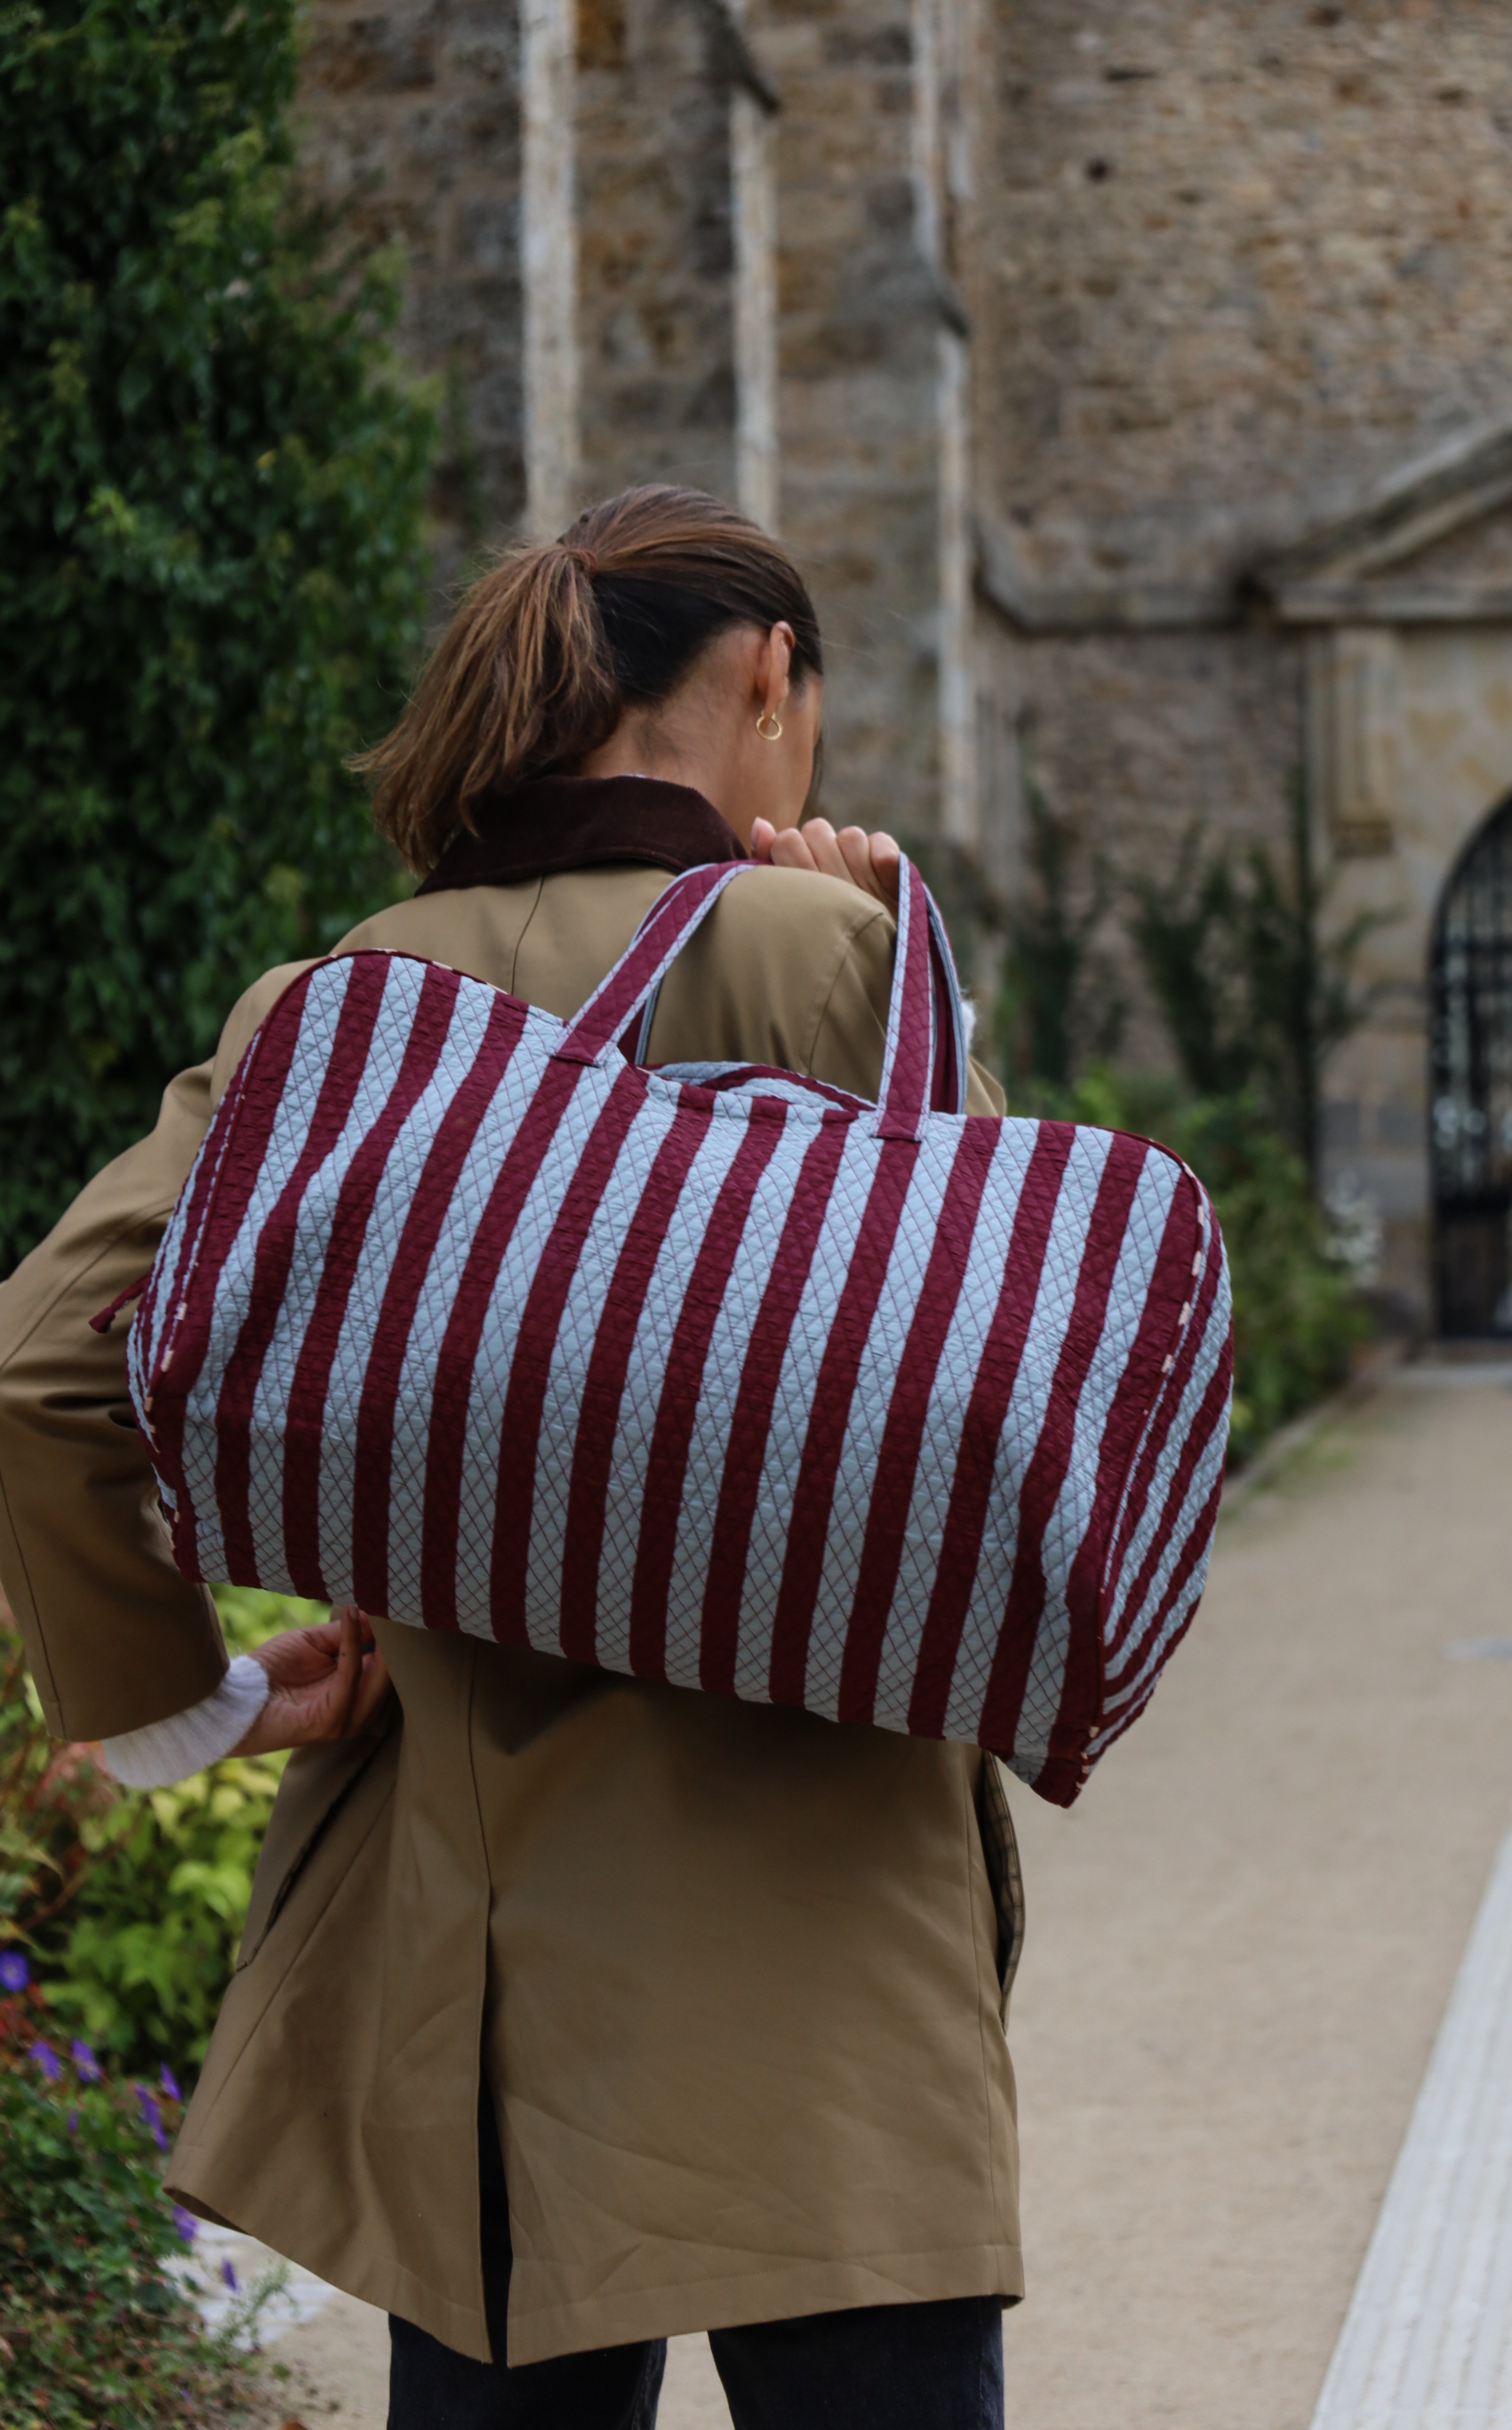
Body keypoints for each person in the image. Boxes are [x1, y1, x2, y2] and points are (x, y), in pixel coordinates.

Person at [0, 486, 1023, 2430]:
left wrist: (184, 1712)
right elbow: (1000, 1384)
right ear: (769, 679)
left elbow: (41, 1368)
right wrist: (901, 970)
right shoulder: (820, 948)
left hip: (483, 1985)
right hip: (824, 1958)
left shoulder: (335, 1007)